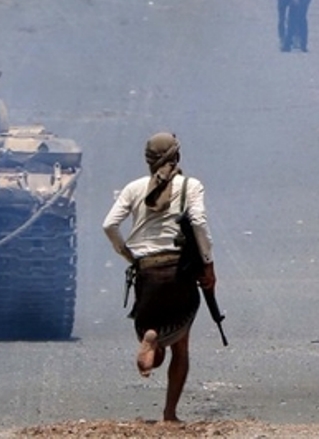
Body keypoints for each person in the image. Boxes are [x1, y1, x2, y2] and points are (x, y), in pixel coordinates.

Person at [102, 132, 216, 423]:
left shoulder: (133, 188)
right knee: (181, 345)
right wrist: (208, 265)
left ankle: (151, 336)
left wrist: (129, 256)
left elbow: (109, 225)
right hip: (179, 269)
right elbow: (199, 222)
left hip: (146, 271)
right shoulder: (191, 185)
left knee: (153, 320)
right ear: (176, 156)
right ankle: (170, 414)